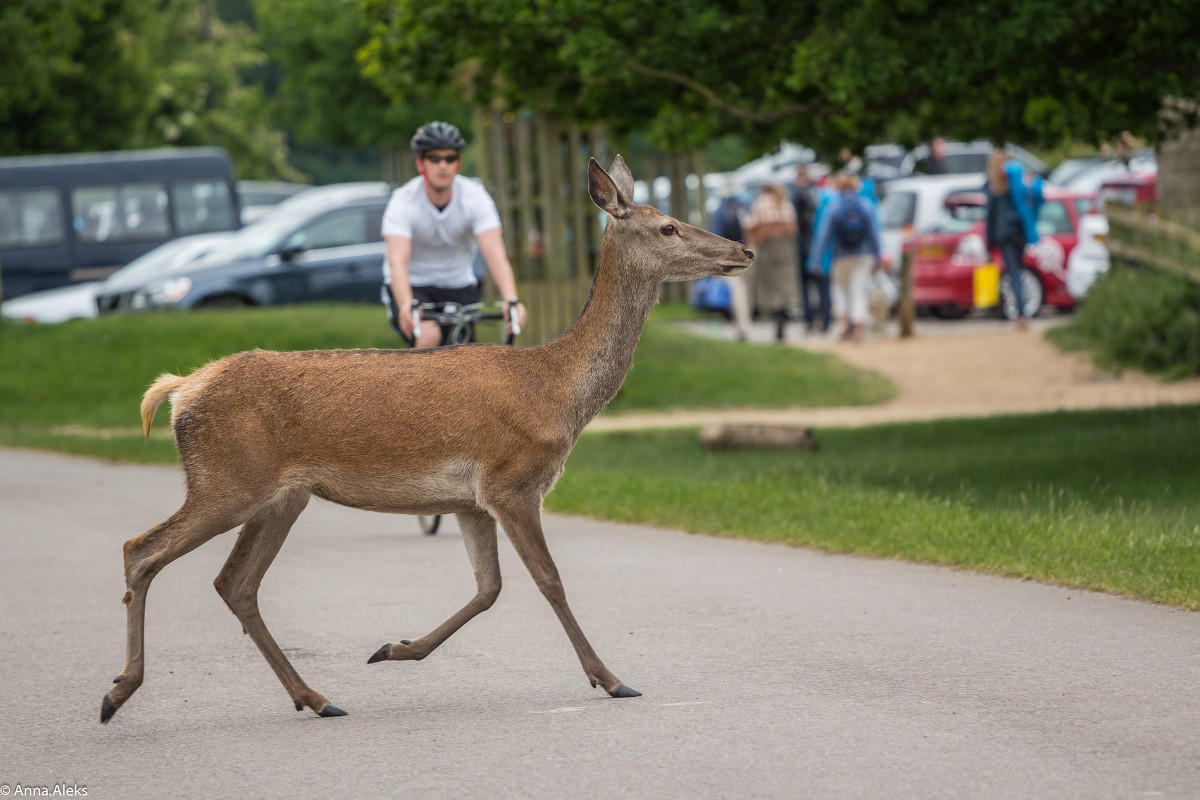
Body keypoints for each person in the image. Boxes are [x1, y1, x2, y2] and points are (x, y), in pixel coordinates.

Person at [382, 121, 526, 347]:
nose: (443, 165)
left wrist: (511, 299)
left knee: (463, 355)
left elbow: (495, 255)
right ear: (421, 162)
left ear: (458, 163)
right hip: (415, 285)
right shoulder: (403, 201)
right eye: (434, 158)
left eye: (450, 158)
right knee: (428, 338)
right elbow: (396, 262)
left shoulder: (475, 197)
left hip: (459, 286)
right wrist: (406, 304)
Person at [809, 172, 881, 342]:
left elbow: (823, 236)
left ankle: (844, 326)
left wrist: (816, 260)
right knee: (859, 290)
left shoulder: (834, 206)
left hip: (841, 256)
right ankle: (858, 329)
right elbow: (874, 234)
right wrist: (877, 256)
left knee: (840, 290)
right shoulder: (866, 205)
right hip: (863, 256)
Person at [985, 148, 1044, 329]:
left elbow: (991, 216)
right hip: (1020, 232)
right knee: (1019, 270)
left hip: (1004, 234)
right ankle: (1023, 311)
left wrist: (988, 240)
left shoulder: (994, 184)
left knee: (1013, 273)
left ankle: (1020, 312)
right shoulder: (1017, 179)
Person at [743, 183, 800, 341]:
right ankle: (784, 311)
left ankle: (775, 316)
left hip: (768, 246)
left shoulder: (760, 204)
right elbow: (794, 228)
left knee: (770, 283)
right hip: (786, 247)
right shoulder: (787, 204)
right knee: (785, 282)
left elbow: (750, 226)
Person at [708, 183, 753, 340]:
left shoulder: (719, 212)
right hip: (749, 254)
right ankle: (744, 325)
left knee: (737, 294)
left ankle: (743, 327)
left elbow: (715, 237)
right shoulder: (745, 207)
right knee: (744, 293)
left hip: (731, 258)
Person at [792, 165, 825, 333]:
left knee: (805, 286)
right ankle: (823, 318)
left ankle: (810, 318)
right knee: (820, 285)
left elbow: (800, 224)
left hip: (804, 246)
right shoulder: (818, 193)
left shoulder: (799, 195)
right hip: (817, 245)